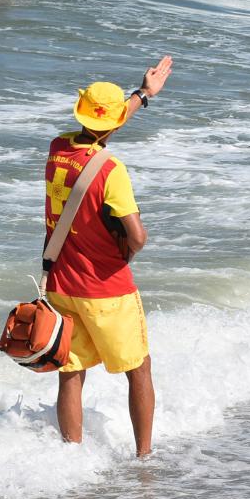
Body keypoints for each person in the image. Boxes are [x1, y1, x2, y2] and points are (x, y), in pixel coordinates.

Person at [44, 55, 173, 457]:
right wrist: (131, 247)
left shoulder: (58, 148)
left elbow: (102, 131)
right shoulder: (111, 170)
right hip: (106, 289)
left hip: (62, 281)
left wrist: (142, 95)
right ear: (114, 121)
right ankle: (144, 458)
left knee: (71, 372)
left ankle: (71, 457)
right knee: (139, 370)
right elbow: (137, 235)